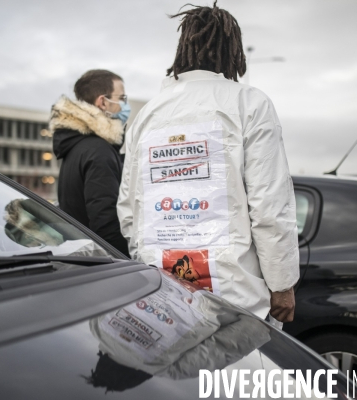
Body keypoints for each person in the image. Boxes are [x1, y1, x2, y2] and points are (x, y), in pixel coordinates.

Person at [117, 2, 299, 322]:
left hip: (160, 289)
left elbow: (129, 208)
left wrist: (145, 258)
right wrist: (282, 284)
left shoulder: (147, 115)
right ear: (233, 49)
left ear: (183, 47)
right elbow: (269, 204)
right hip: (235, 294)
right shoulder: (248, 102)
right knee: (235, 372)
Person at [50, 69, 131, 256]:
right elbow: (106, 223)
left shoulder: (77, 146)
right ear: (102, 102)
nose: (125, 105)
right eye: (121, 98)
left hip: (82, 256)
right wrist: (128, 262)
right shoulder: (99, 151)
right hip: (105, 264)